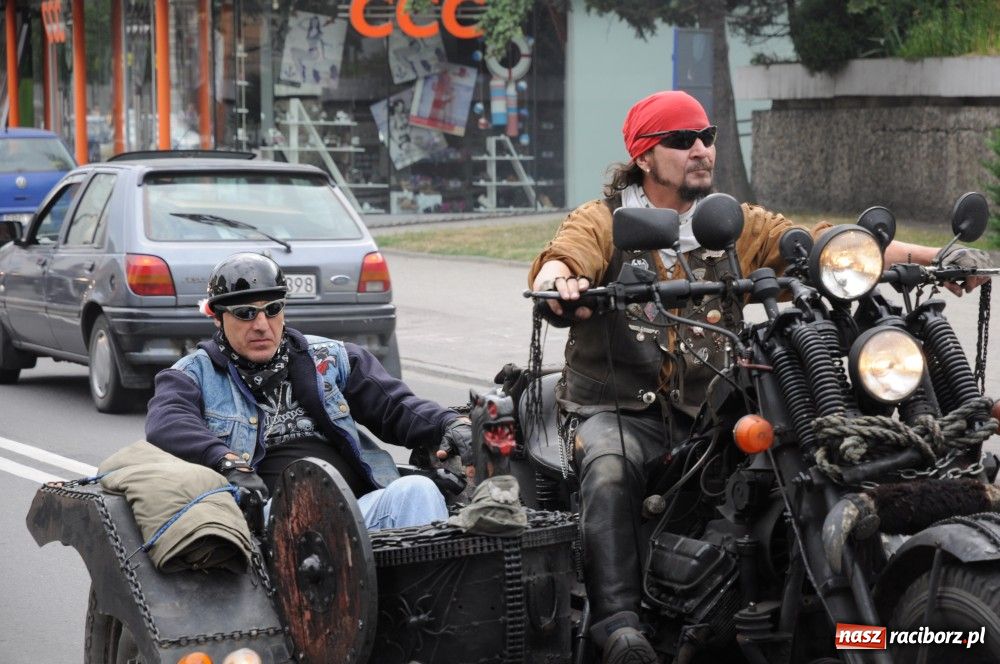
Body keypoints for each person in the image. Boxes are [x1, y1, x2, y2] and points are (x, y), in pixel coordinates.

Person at [527, 90, 991, 664]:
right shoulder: (604, 221)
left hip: (715, 412)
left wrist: (932, 260)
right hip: (625, 410)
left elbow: (826, 246)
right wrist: (559, 281)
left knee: (808, 458)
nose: (701, 149)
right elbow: (566, 255)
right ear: (645, 157)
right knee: (609, 467)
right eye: (681, 140)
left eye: (707, 136)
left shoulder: (731, 222)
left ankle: (836, 606)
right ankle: (620, 625)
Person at [147, 252, 472, 532]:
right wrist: (227, 463)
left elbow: (395, 406)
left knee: (420, 490)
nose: (262, 324)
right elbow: (167, 422)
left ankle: (421, 605)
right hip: (269, 524)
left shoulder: (332, 357)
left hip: (359, 511)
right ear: (218, 319)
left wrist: (449, 423)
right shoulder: (192, 374)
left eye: (272, 309)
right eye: (246, 313)